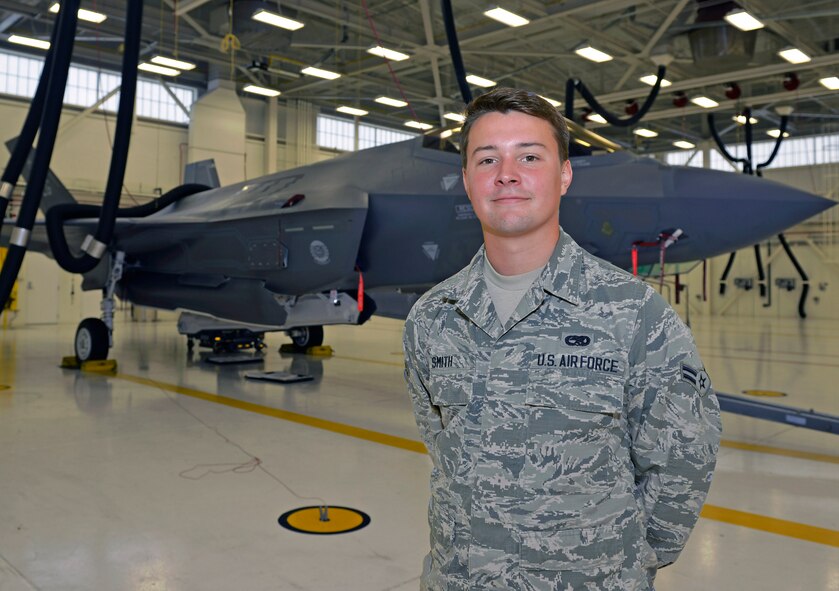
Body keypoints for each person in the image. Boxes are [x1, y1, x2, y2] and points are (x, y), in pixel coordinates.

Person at [403, 87, 721, 591]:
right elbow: (443, 451)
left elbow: (683, 458)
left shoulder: (634, 313)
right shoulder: (433, 317)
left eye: (529, 156)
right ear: (466, 180)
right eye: (487, 159)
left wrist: (620, 563)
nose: (507, 173)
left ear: (565, 174)